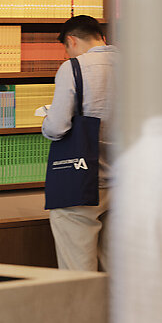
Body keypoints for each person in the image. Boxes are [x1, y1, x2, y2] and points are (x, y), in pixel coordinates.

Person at [42, 15, 118, 271]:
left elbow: (57, 127)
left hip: (82, 182)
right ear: (102, 37)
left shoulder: (74, 67)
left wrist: (46, 121)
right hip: (128, 182)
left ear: (71, 41)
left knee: (78, 273)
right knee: (119, 272)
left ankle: (85, 314)